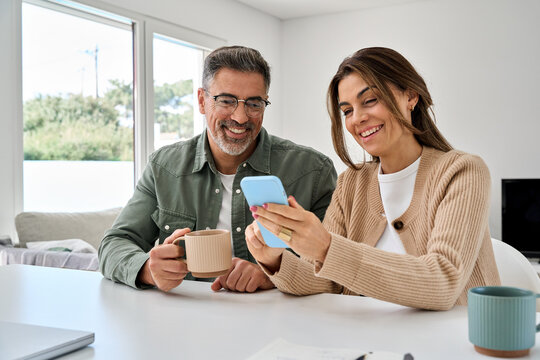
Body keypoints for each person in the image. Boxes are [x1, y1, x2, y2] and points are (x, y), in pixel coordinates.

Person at [245, 47, 500, 310]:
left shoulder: (463, 172)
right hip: (367, 343)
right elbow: (326, 280)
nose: (358, 118)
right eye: (347, 110)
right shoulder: (351, 183)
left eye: (370, 100)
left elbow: (443, 283)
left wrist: (326, 247)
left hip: (451, 344)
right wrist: (274, 260)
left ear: (411, 96)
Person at [99, 46, 337, 293]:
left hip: (280, 323)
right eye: (226, 101)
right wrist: (147, 268)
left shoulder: (313, 171)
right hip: (188, 317)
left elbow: (337, 266)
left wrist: (272, 275)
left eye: (254, 104)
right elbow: (113, 244)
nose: (241, 117)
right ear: (202, 101)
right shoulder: (164, 167)